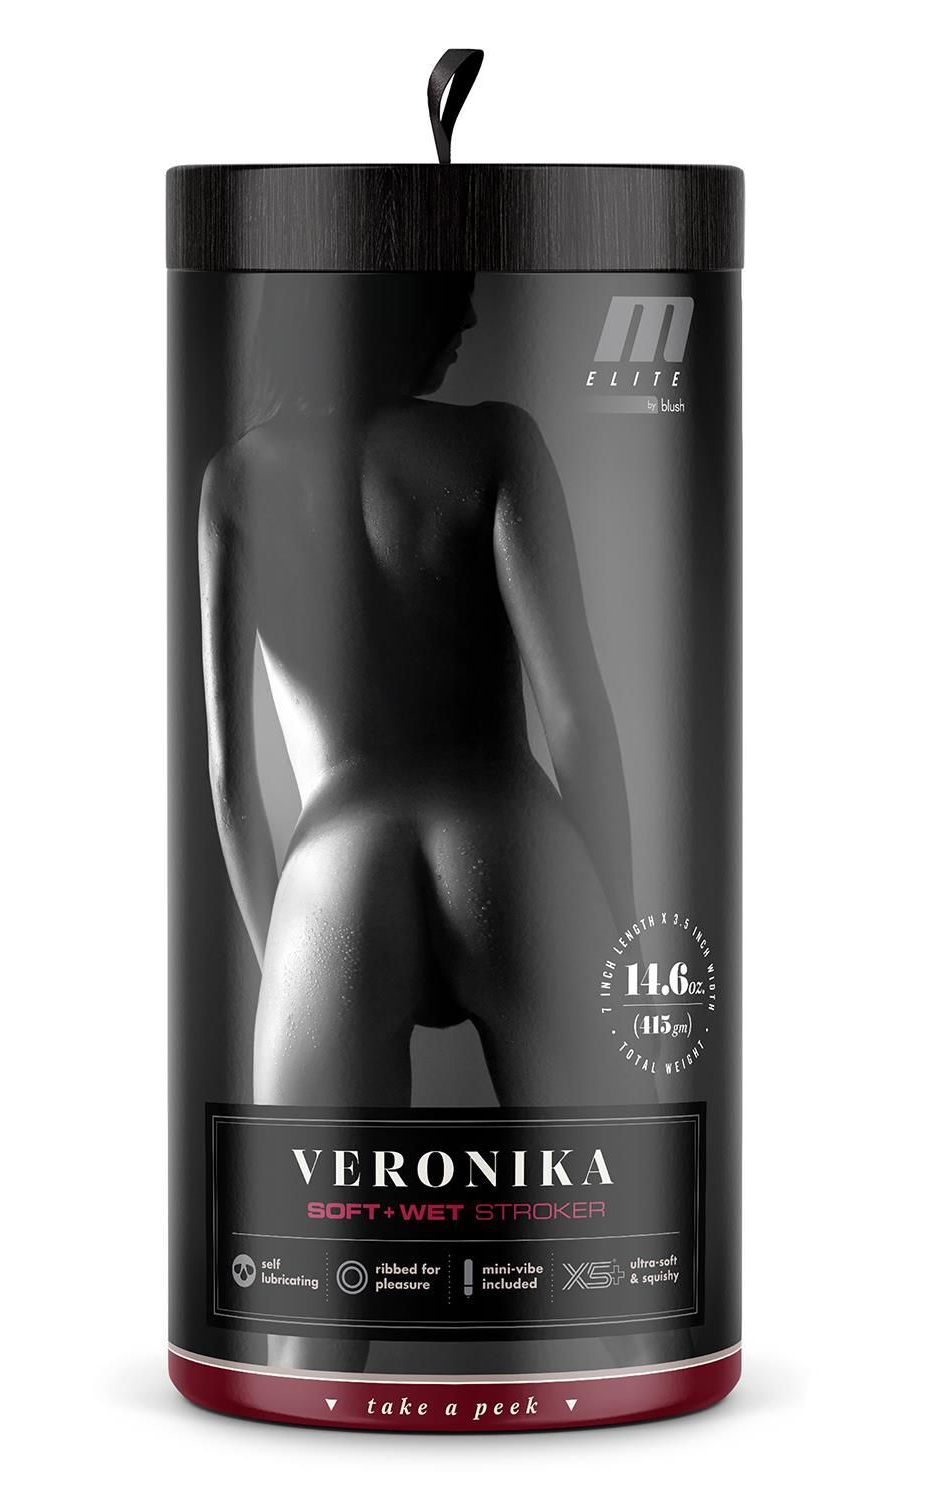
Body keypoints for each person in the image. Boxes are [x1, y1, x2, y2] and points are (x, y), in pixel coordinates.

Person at [199, 274, 642, 1371]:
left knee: (309, 1316)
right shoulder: (495, 443)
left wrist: (284, 962)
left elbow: (229, 779)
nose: (473, 320)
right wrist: (611, 938)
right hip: (507, 842)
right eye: (454, 295)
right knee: (617, 1275)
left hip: (333, 872)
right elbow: (578, 719)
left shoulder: (237, 481)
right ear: (395, 302)